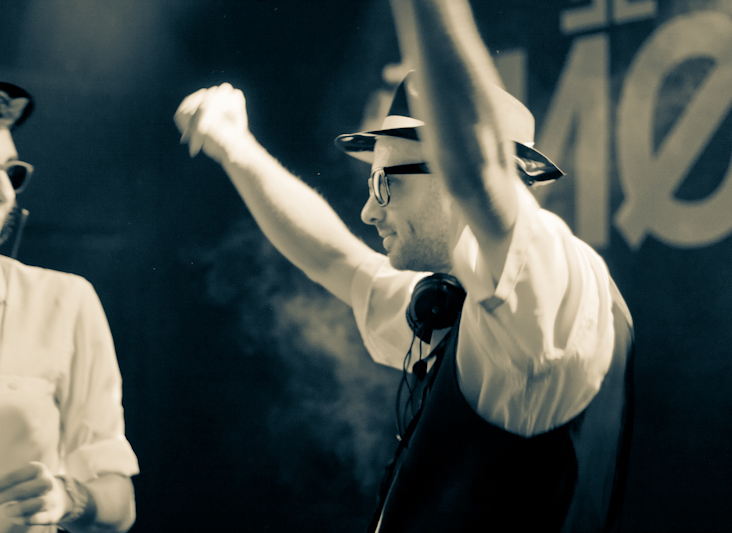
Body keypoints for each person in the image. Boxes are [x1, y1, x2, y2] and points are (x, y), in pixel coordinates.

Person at [174, 0, 634, 530]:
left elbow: (477, 165)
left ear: (452, 171)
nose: (368, 211)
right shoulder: (463, 306)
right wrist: (235, 147)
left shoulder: (551, 283)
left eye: (384, 183)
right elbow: (336, 260)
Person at [0, 59, 138, 533]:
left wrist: (68, 497)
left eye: (13, 173)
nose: (5, 193)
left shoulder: (65, 303)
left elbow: (119, 504)